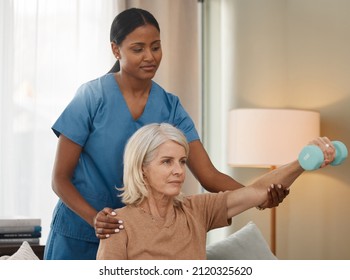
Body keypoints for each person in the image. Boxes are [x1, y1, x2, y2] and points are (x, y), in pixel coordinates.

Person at [45, 8, 293, 260]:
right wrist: (94, 218)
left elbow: (208, 175)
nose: (150, 57)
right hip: (77, 233)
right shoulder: (91, 97)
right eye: (138, 48)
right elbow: (59, 178)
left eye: (156, 47)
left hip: (134, 237)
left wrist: (259, 197)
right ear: (116, 50)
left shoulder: (170, 106)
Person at [96, 123, 335, 260]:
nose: (179, 171)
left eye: (182, 161)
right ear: (142, 169)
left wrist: (302, 162)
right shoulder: (117, 224)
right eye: (167, 162)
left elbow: (258, 191)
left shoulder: (197, 209)